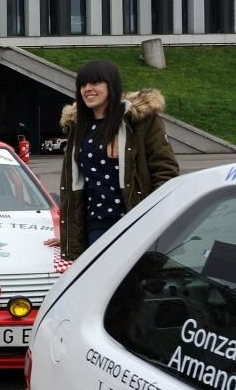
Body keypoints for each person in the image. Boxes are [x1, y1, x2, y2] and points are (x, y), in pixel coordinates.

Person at [45, 60, 179, 261]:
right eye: (83, 85)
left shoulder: (139, 121)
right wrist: (70, 233)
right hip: (96, 225)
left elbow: (165, 172)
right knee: (100, 285)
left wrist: (156, 218)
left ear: (112, 85)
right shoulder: (78, 126)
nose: (87, 89)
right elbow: (78, 185)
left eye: (95, 83)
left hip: (134, 221)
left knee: (132, 286)